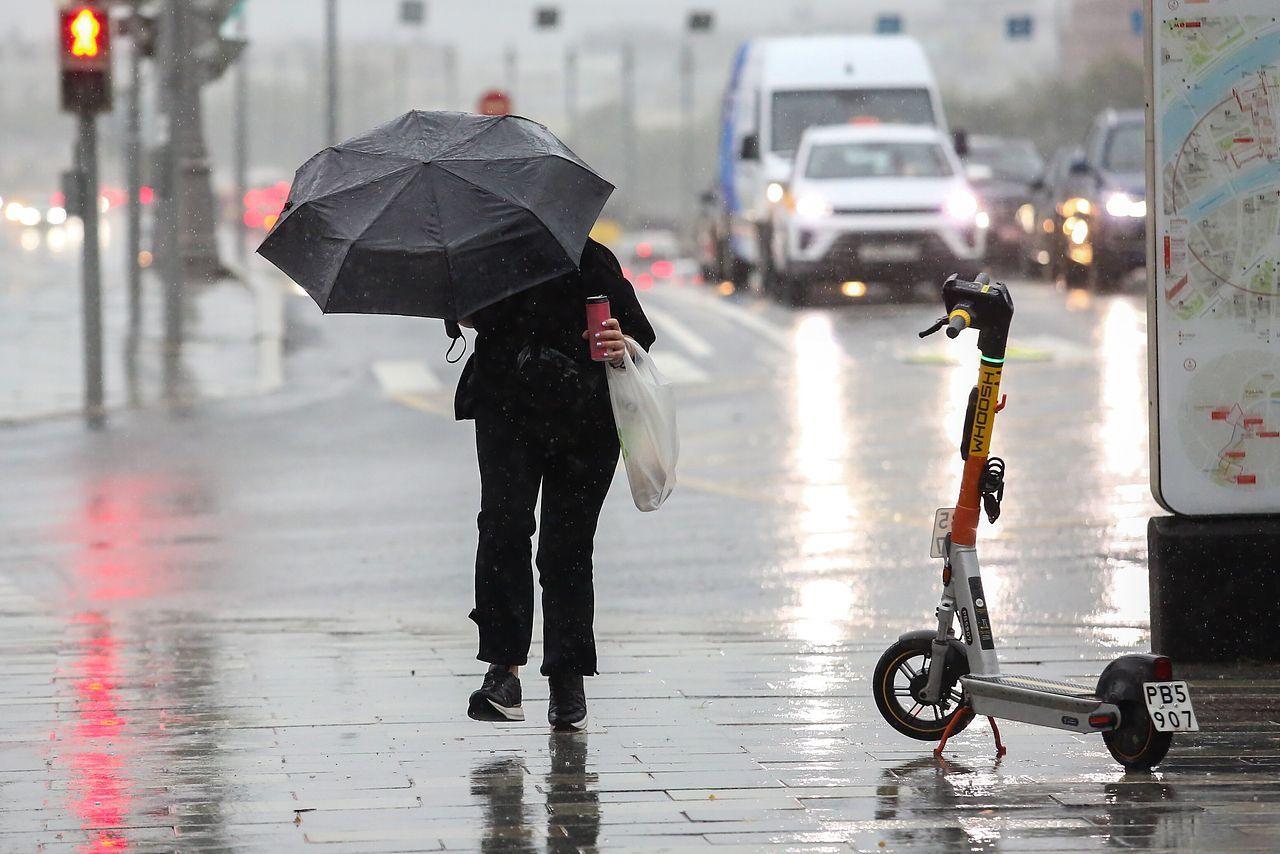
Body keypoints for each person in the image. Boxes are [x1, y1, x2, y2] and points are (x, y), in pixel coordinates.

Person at [454, 238, 656, 731]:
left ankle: (567, 678)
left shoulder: (589, 256)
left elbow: (637, 334)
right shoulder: (481, 254)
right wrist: (462, 306)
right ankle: (503, 672)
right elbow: (469, 314)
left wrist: (621, 342)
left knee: (566, 548)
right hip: (506, 409)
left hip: (585, 417)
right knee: (503, 529)